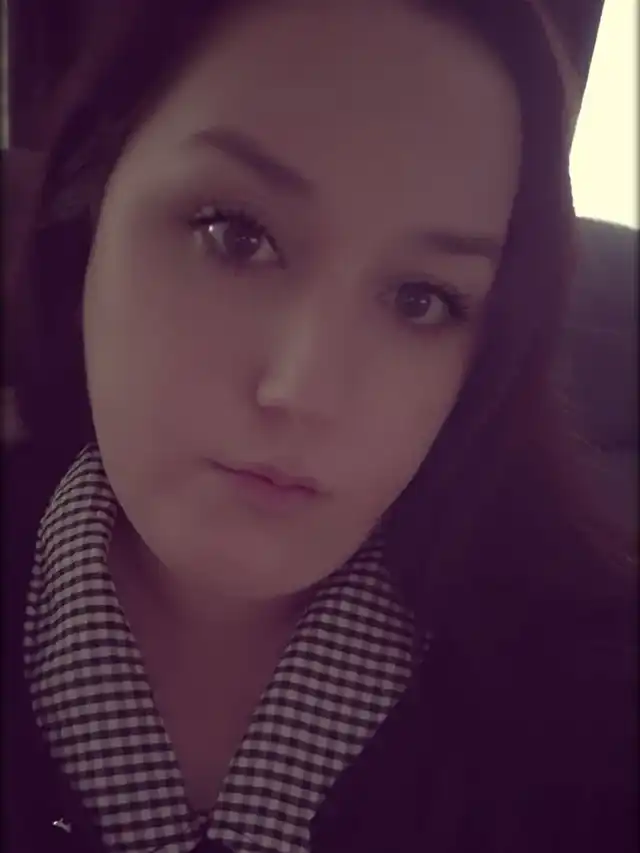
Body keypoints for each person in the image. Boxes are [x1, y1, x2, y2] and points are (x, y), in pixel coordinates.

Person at [3, 1, 636, 851]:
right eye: (235, 235)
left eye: (420, 299)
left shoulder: (600, 707)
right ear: (91, 200)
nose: (302, 389)